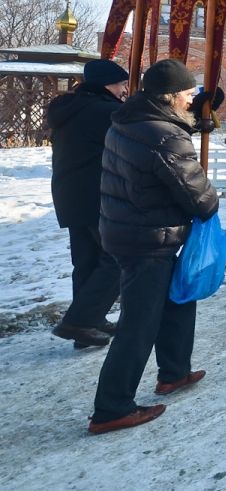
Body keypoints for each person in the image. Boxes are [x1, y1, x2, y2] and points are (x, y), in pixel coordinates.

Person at [88, 59, 220, 435]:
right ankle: (111, 408)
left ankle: (174, 371)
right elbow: (195, 192)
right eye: (189, 93)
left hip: (131, 229)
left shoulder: (129, 121)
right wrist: (212, 203)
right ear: (171, 96)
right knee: (139, 323)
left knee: (178, 299)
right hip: (147, 238)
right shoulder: (164, 134)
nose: (193, 99)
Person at [46, 59, 129, 349]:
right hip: (99, 196)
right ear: (107, 84)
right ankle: (80, 321)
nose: (125, 89)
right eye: (122, 83)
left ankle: (89, 324)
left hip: (70, 196)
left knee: (87, 261)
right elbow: (146, 127)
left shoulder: (71, 108)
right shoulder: (106, 112)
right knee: (119, 258)